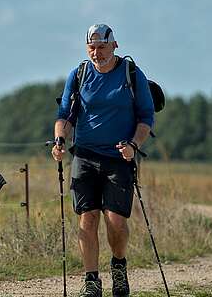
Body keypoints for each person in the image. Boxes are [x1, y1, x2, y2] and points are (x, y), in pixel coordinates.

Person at [51, 24, 154, 297]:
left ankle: (118, 267)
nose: (97, 53)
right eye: (92, 48)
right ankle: (91, 281)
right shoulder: (80, 74)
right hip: (84, 155)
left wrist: (133, 145)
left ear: (114, 46)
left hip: (119, 157)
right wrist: (60, 140)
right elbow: (65, 114)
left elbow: (146, 117)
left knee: (116, 221)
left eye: (102, 47)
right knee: (88, 217)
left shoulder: (131, 74)